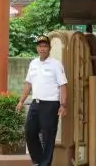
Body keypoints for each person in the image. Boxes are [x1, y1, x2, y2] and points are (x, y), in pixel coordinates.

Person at [16, 35, 68, 166]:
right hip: (36, 103)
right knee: (29, 131)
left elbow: (63, 85)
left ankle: (45, 163)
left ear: (49, 48)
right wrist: (21, 101)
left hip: (50, 104)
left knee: (48, 136)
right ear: (37, 48)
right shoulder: (33, 63)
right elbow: (28, 83)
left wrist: (63, 104)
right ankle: (39, 160)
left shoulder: (56, 64)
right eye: (40, 46)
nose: (42, 49)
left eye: (45, 46)